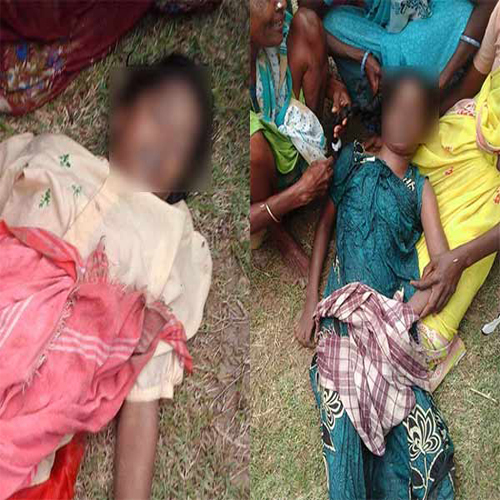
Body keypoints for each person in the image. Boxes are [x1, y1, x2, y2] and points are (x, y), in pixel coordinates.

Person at [0, 54, 212, 499]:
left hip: (33, 416)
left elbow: (143, 388)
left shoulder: (167, 238)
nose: (165, 141)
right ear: (122, 114)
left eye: (181, 144)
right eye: (159, 116)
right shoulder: (55, 155)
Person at [295, 71, 457, 499]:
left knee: (415, 438)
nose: (403, 119)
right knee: (343, 426)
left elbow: (441, 267)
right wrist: (310, 299)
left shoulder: (420, 188)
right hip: (343, 319)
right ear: (383, 111)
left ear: (427, 129)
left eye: (415, 114)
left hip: (388, 322)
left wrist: (407, 311)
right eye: (397, 108)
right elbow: (325, 228)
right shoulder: (353, 160)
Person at [250, 0, 351, 277]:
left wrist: (332, 87)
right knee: (251, 147)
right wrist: (297, 194)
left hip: (285, 120)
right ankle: (277, 232)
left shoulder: (273, 26)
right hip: (263, 189)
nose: (282, 3)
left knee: (307, 22)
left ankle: (313, 161)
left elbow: (293, 49)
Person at [301, 0, 495, 132]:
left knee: (461, 12)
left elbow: (489, 4)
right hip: (381, 37)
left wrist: (443, 79)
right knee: (333, 23)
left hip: (432, 25)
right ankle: (396, 104)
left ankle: (411, 103)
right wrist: (361, 56)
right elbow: (308, 23)